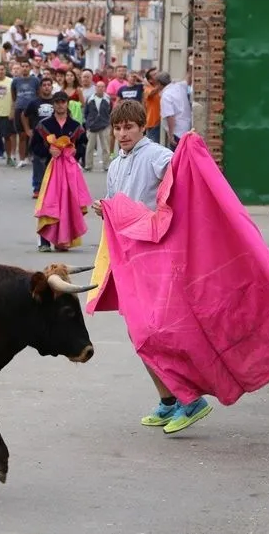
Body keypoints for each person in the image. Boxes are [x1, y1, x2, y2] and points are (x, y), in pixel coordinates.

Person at [90, 99, 213, 434]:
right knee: (137, 332)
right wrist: (106, 209)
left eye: (129, 126)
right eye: (117, 128)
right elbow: (117, 204)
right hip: (128, 257)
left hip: (157, 255)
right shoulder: (116, 165)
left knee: (157, 331)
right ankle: (168, 400)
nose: (122, 133)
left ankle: (191, 399)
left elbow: (184, 179)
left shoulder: (157, 155)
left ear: (143, 126)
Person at [29, 91, 88, 252]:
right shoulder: (44, 125)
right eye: (57, 102)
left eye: (63, 102)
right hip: (49, 170)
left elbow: (83, 144)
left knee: (68, 203)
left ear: (67, 104)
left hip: (69, 172)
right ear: (53, 104)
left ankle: (63, 239)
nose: (60, 104)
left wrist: (76, 151)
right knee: (48, 203)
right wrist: (48, 150)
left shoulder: (75, 126)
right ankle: (44, 241)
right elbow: (34, 145)